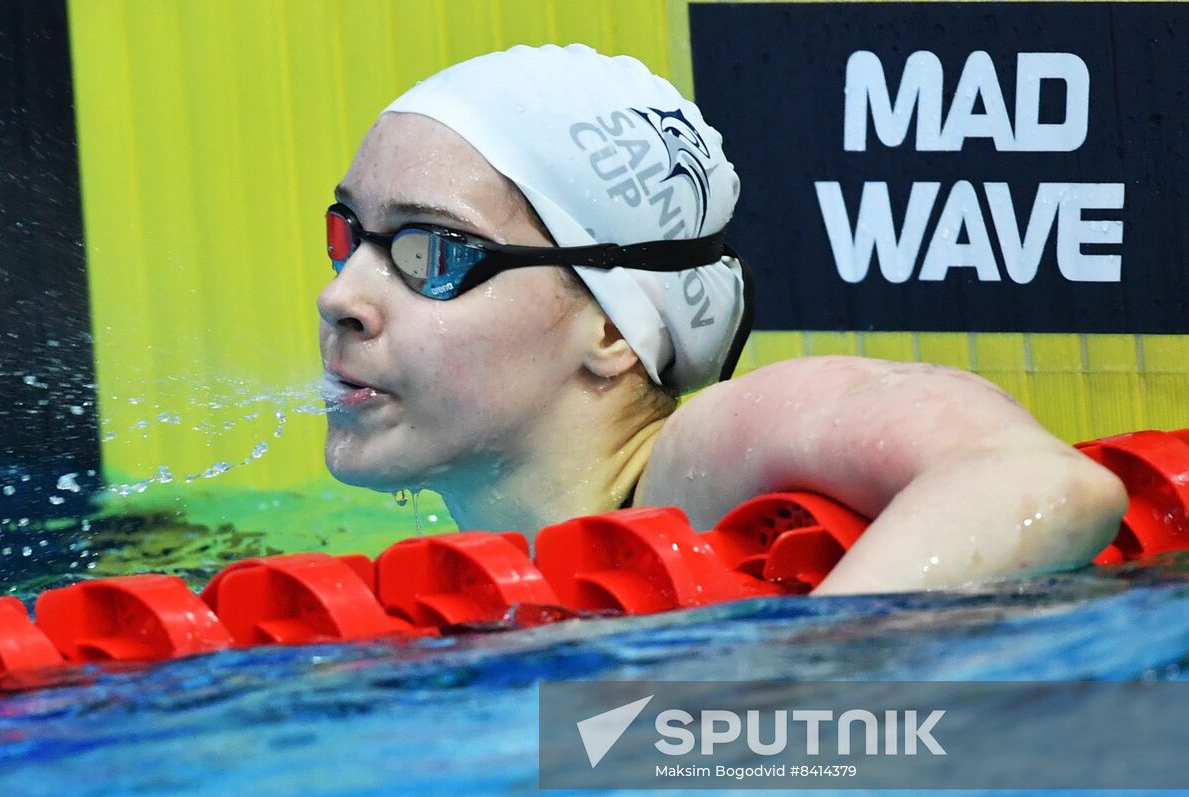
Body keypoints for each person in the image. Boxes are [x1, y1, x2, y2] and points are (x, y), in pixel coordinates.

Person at [315, 44, 1126, 595]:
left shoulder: (704, 469)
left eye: (434, 250)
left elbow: (1044, 484)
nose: (342, 295)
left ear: (610, 329)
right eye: (350, 233)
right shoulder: (472, 574)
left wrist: (785, 706)